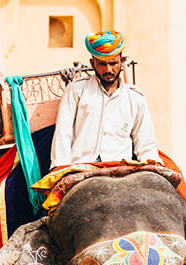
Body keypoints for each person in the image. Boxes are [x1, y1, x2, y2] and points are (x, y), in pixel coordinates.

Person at [50, 30, 160, 169]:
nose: (108, 69)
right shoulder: (76, 90)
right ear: (92, 63)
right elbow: (63, 134)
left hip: (122, 169)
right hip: (82, 167)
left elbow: (146, 144)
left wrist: (153, 166)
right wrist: (60, 168)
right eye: (102, 64)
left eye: (113, 63)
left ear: (122, 61)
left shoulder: (135, 98)